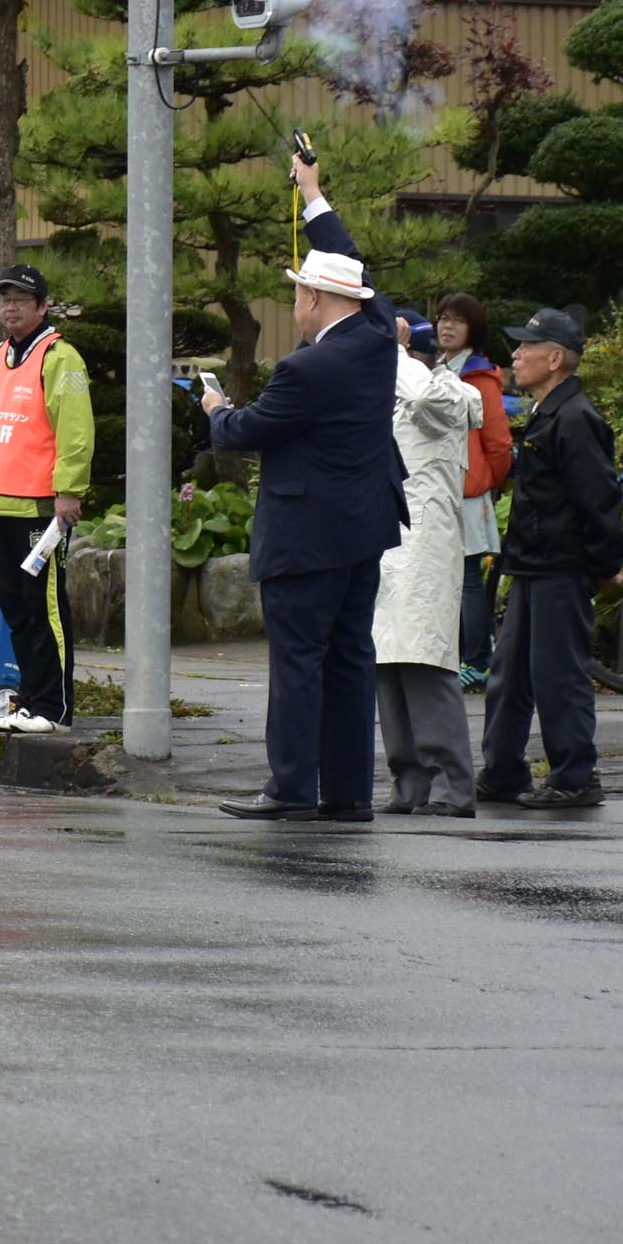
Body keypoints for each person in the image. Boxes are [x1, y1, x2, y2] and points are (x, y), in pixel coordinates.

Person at [203, 246, 407, 820]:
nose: (294, 303)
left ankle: (290, 787)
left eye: (297, 293)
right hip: (363, 528)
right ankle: (347, 793)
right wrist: (314, 198)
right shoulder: (377, 342)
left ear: (314, 297)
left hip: (305, 534)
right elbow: (366, 280)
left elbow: (244, 432)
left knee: (297, 662)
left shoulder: (307, 367)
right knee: (349, 660)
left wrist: (217, 409)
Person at [478, 307, 621, 811]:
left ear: (555, 358)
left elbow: (598, 499)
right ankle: (502, 770)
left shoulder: (576, 418)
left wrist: (606, 565)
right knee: (510, 673)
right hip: (532, 563)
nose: (515, 355)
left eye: (525, 348)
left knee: (558, 675)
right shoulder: (551, 410)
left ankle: (576, 776)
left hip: (560, 566)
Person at [0, 265, 93, 733]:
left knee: (46, 610)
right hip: (2, 503)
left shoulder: (59, 357)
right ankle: (31, 700)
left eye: (21, 298)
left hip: (41, 507)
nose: (11, 306)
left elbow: (76, 431)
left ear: (43, 306)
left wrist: (69, 491)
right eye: (4, 298)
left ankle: (54, 709)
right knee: (19, 611)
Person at [375, 316, 482, 816]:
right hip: (389, 544)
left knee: (423, 660)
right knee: (388, 664)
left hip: (425, 548)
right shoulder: (399, 388)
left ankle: (451, 786)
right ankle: (410, 781)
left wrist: (394, 354)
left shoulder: (450, 395)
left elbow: (425, 402)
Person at [431, 292, 514, 690]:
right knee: (451, 579)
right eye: (443, 319)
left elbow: (498, 443)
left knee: (467, 581)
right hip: (441, 490)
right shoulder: (439, 368)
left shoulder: (480, 376)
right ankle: (461, 657)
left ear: (473, 329)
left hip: (467, 491)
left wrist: (486, 482)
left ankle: (477, 661)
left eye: (457, 321)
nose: (447, 326)